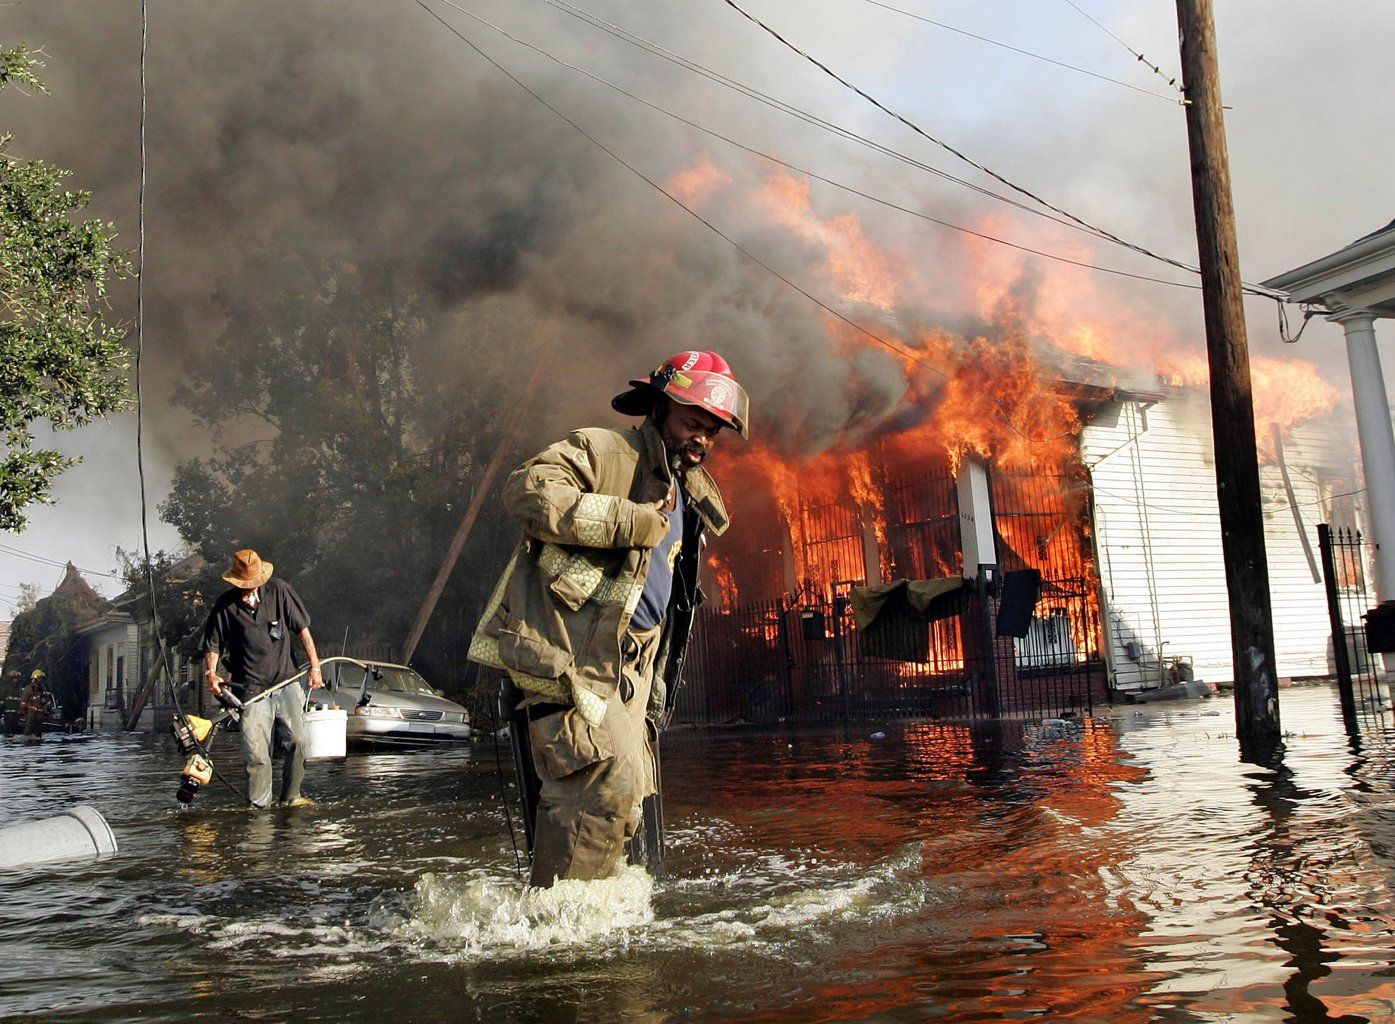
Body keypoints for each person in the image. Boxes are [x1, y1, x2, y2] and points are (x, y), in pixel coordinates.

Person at [470, 350, 749, 886]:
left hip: (632, 667)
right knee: (606, 776)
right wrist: (633, 521)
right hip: (568, 653)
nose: (703, 439)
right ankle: (563, 926)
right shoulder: (604, 451)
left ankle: (588, 917)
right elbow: (526, 494)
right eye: (693, 422)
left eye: (712, 431)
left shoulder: (688, 496)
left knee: (628, 795)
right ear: (659, 407)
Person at [199, 549, 323, 808]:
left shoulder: (279, 591)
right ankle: (260, 805)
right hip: (250, 690)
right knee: (257, 754)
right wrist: (211, 674)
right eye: (243, 585)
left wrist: (315, 667)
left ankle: (292, 796)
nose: (248, 588)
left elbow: (303, 630)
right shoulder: (225, 606)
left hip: (286, 681)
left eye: (252, 583)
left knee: (297, 741)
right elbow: (213, 645)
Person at [20, 669, 47, 742]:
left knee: (38, 735)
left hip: (40, 715)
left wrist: (45, 708)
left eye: (42, 678)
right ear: (35, 678)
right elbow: (23, 702)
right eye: (40, 678)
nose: (41, 680)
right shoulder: (28, 688)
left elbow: (46, 701)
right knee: (28, 734)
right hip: (31, 715)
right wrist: (26, 714)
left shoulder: (42, 689)